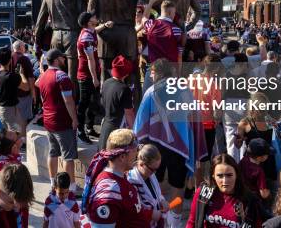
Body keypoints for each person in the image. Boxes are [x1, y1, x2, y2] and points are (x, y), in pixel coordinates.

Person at [134, 58, 199, 225]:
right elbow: (192, 116)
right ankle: (175, 221)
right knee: (178, 184)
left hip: (155, 146)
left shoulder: (152, 91)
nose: (151, 75)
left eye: (153, 72)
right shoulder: (184, 90)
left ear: (160, 72)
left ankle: (159, 216)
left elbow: (141, 122)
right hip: (180, 145)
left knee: (156, 181)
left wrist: (139, 144)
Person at [82, 129, 161, 227]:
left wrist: (151, 214)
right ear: (122, 157)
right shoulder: (110, 191)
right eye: (135, 150)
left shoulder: (120, 178)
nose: (137, 154)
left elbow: (131, 213)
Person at [37, 48, 79, 192]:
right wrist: (74, 119)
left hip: (48, 121)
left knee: (53, 152)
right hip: (62, 121)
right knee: (68, 156)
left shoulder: (42, 77)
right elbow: (68, 101)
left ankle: (53, 183)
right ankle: (71, 187)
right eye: (62, 58)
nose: (64, 60)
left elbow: (42, 98)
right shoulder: (62, 76)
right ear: (56, 60)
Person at [186, 154, 265, 228]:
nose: (225, 181)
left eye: (229, 175)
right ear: (213, 176)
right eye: (220, 176)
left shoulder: (250, 200)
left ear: (236, 175)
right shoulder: (204, 192)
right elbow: (192, 222)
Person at [76, 11, 113, 144]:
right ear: (88, 21)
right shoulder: (87, 37)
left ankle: (89, 127)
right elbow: (90, 59)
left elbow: (95, 30)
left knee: (93, 102)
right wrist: (94, 78)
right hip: (86, 75)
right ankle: (80, 130)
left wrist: (104, 25)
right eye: (93, 17)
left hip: (90, 74)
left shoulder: (89, 31)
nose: (96, 17)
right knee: (84, 103)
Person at [142, 0, 185, 91]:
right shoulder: (177, 30)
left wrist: (151, 2)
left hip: (153, 69)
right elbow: (179, 56)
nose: (174, 15)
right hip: (170, 71)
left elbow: (144, 18)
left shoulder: (151, 25)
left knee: (148, 98)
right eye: (174, 13)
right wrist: (178, 75)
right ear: (170, 12)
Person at [98, 55, 135, 151]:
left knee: (103, 154)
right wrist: (134, 132)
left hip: (105, 125)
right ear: (126, 74)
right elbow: (129, 114)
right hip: (117, 129)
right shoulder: (124, 89)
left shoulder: (106, 82)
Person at [126, 144, 168, 228]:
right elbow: (132, 210)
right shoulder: (130, 181)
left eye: (157, 169)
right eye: (153, 169)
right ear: (141, 164)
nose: (154, 173)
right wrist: (151, 214)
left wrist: (162, 200)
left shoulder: (150, 174)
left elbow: (156, 194)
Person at [0, 47, 22, 132]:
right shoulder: (12, 77)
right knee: (15, 133)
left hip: (0, 108)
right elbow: (25, 86)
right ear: (10, 60)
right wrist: (21, 74)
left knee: (4, 133)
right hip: (10, 109)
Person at [12, 40, 36, 149]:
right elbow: (31, 78)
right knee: (22, 118)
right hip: (23, 94)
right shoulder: (25, 59)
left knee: (14, 118)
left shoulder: (10, 57)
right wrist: (33, 93)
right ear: (22, 48)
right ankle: (22, 142)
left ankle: (14, 139)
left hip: (11, 94)